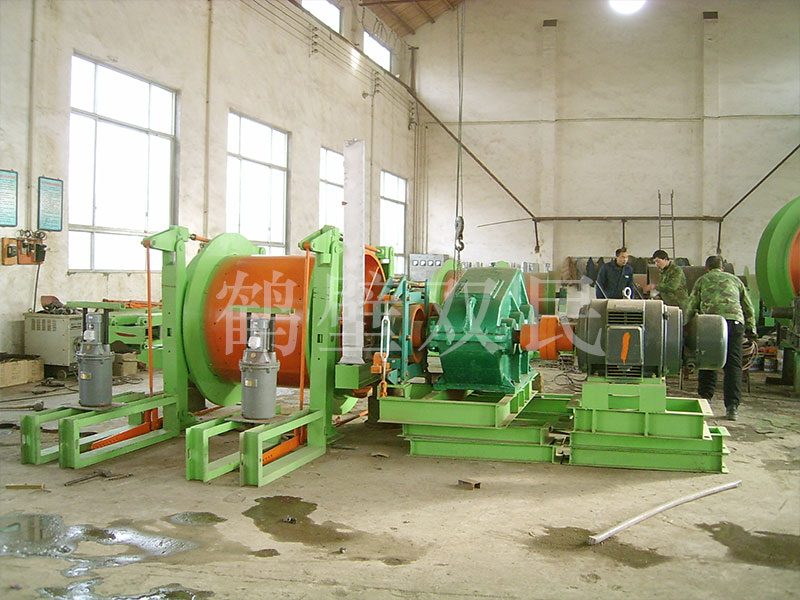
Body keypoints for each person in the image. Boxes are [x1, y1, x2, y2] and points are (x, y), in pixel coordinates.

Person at [684, 255, 756, 420]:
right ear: (722, 268)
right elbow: (748, 307)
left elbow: (691, 306)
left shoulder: (702, 280)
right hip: (734, 322)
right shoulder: (736, 280)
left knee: (708, 360)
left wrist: (685, 328)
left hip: (711, 323)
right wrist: (751, 330)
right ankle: (732, 407)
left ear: (707, 269)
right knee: (733, 364)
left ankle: (705, 400)